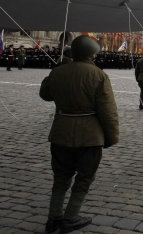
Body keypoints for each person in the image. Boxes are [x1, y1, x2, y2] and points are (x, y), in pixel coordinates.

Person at [39, 35, 119, 234]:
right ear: (92, 53)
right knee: (84, 178)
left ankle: (53, 218)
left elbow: (45, 95)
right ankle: (71, 217)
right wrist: (111, 136)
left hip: (60, 132)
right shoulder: (99, 75)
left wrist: (54, 73)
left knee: (60, 177)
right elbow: (107, 111)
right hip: (89, 135)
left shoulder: (58, 72)